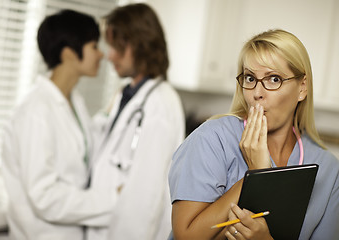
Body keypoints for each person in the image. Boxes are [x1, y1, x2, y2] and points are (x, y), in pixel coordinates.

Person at [168, 29, 339, 240]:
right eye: (250, 78)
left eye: (274, 79)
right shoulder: (212, 139)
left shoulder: (329, 169)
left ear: (302, 87)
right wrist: (257, 176)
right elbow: (186, 236)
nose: (257, 93)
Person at [1, 9, 115, 240]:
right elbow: (45, 197)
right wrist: (113, 199)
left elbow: (79, 145)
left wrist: (110, 113)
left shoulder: (73, 101)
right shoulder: (35, 112)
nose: (101, 55)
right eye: (94, 46)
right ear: (69, 54)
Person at [87, 3, 185, 240]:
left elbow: (145, 196)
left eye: (118, 48)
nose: (110, 56)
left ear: (141, 44)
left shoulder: (160, 103)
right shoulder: (127, 94)